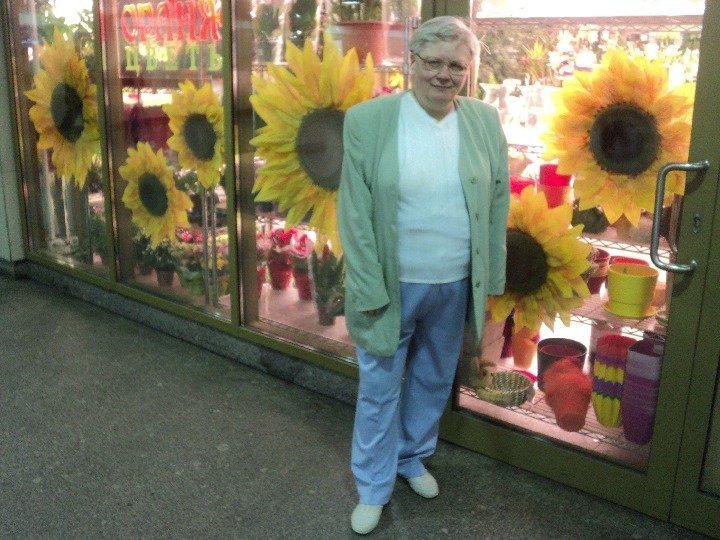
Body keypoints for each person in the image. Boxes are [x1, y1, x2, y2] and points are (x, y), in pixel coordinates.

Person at [337, 16, 510, 535]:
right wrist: (368, 285)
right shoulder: (369, 120)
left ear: (468, 69)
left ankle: (411, 457)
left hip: (454, 281)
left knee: (434, 378)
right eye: (433, 62)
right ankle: (373, 485)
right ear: (411, 62)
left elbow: (496, 200)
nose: (443, 74)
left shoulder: (483, 120)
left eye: (455, 65)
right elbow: (355, 211)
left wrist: (491, 278)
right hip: (392, 284)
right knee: (379, 385)